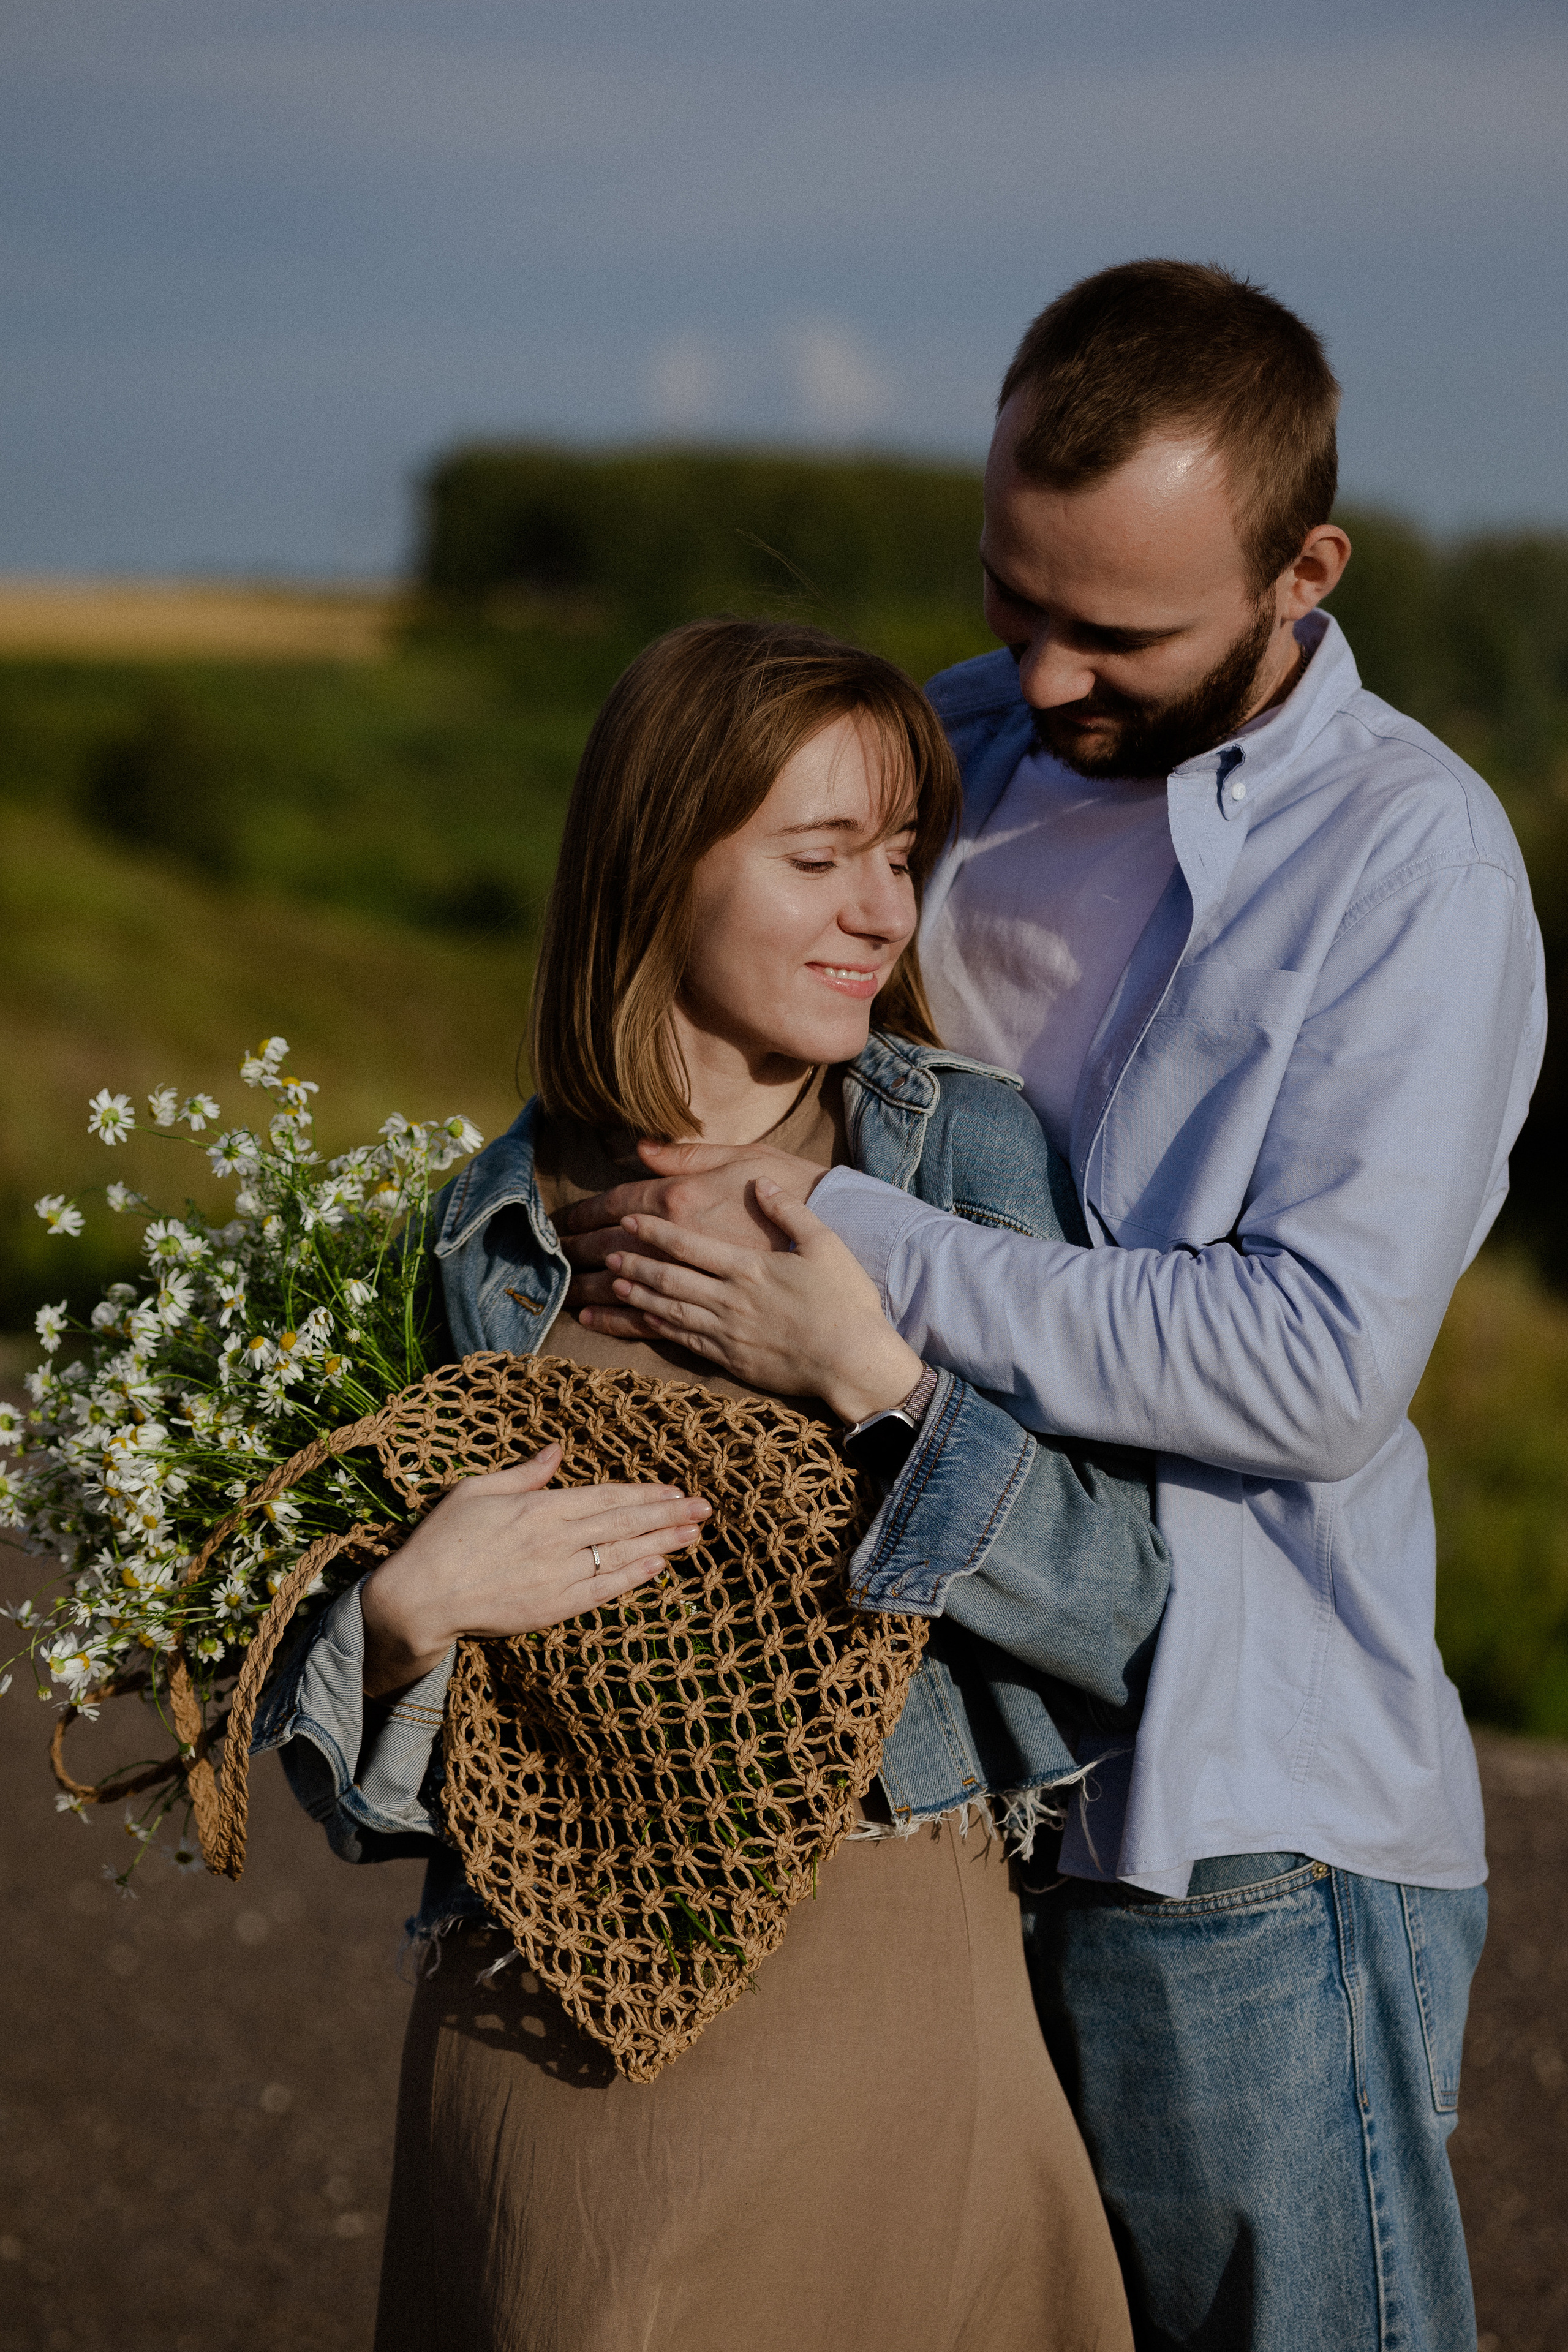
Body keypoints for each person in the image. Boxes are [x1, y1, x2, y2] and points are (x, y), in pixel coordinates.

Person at [560, 265, 1548, 2352]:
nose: (1047, 669)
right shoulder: (959, 756)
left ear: (1306, 573)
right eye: (1017, 598)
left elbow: (1311, 1369)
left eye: (1120, 630)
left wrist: (854, 1258)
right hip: (939, 1804)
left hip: (1233, 1819)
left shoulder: (1414, 870)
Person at [255, 616, 1172, 2352]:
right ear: (655, 866)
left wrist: (874, 1385)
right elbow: (368, 1799)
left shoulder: (956, 1153)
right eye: (819, 857)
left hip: (892, 2003)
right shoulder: (478, 1232)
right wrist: (400, 1617)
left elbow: (1117, 1608)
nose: (882, 916)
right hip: (546, 2042)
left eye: (899, 860)